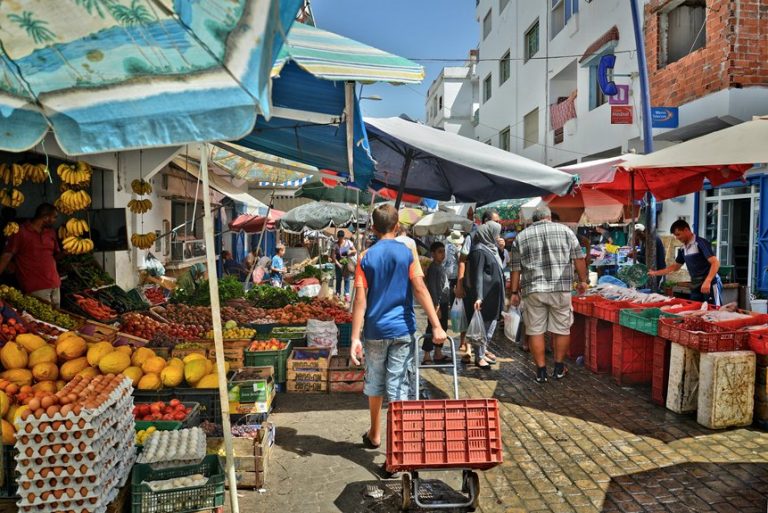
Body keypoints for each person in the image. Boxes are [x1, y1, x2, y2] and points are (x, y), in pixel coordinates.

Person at [350, 204, 446, 450]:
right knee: (398, 386)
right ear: (397, 226)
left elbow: (360, 300)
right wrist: (436, 325)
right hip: (403, 329)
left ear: (373, 228)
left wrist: (354, 338)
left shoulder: (365, 257)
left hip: (374, 331)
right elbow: (420, 289)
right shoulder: (407, 253)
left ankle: (375, 434)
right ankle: (398, 447)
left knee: (375, 382)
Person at [509, 206, 588, 383]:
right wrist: (583, 280)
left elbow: (515, 268)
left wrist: (514, 292)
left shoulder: (521, 237)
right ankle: (559, 368)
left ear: (534, 219)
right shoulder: (566, 231)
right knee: (562, 328)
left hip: (533, 290)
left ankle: (541, 371)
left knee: (535, 330)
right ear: (549, 217)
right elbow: (579, 258)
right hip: (560, 288)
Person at [456, 210, 501, 362]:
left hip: (490, 288)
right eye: (495, 222)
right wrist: (460, 284)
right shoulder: (473, 237)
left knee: (488, 318)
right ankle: (472, 350)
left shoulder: (493, 239)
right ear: (486, 222)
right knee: (474, 317)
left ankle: (481, 350)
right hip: (473, 285)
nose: (498, 225)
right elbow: (462, 260)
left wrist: (501, 249)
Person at [463, 221, 506, 370]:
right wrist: (479, 296)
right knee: (483, 327)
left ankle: (482, 352)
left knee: (491, 325)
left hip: (493, 295)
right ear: (489, 234)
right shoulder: (479, 251)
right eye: (496, 233)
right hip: (485, 296)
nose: (498, 236)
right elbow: (478, 276)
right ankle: (479, 357)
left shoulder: (490, 249)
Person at [648, 219, 721, 305]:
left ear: (686, 230)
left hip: (710, 283)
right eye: (675, 235)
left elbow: (715, 263)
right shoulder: (682, 249)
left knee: (714, 308)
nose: (677, 238)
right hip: (695, 284)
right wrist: (655, 273)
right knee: (695, 308)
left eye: (678, 234)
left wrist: (708, 281)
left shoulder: (700, 243)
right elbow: (675, 267)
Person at [0, 203, 61, 306]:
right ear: (46, 218)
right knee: (42, 316)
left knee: (58, 315)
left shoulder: (51, 233)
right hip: (35, 286)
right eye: (54, 217)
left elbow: (54, 257)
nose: (55, 220)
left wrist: (67, 252)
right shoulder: (20, 232)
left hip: (55, 284)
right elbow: (7, 255)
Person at [423, 242, 451, 364]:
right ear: (433, 254)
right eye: (439, 252)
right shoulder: (433, 268)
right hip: (437, 303)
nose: (442, 254)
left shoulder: (440, 266)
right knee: (431, 328)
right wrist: (436, 305)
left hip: (443, 302)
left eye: (443, 251)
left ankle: (438, 353)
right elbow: (433, 288)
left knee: (443, 327)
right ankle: (427, 355)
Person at [331, 230, 356, 301]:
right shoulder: (335, 245)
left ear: (343, 237)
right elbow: (333, 256)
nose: (340, 239)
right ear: (337, 237)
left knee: (347, 279)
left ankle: (346, 294)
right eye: (339, 237)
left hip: (346, 264)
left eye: (341, 237)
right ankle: (338, 293)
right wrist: (338, 264)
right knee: (338, 279)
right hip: (338, 264)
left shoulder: (348, 242)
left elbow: (355, 251)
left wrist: (350, 251)